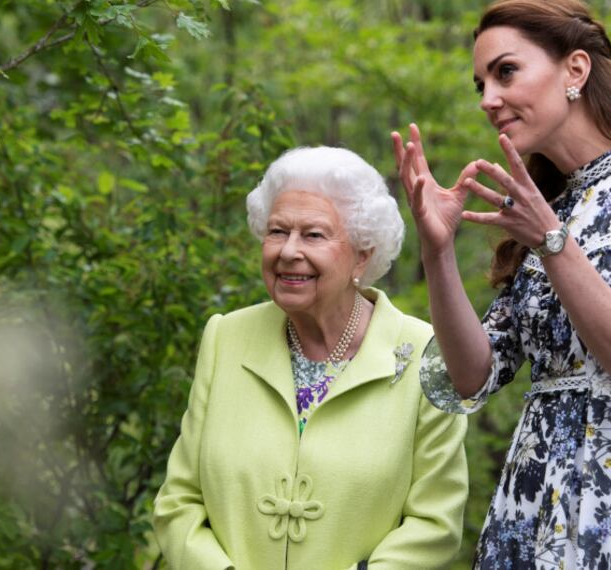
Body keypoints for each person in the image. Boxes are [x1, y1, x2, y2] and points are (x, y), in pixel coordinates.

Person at [393, 0, 611, 568]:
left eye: (506, 72)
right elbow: (472, 376)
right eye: (481, 85)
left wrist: (552, 242)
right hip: (531, 494)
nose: (489, 99)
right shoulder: (544, 204)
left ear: (575, 69)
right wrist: (437, 250)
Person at [153, 146, 469, 569]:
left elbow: (435, 523)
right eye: (278, 231)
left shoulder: (425, 354)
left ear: (363, 253)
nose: (288, 251)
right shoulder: (226, 337)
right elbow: (179, 502)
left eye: (314, 235)